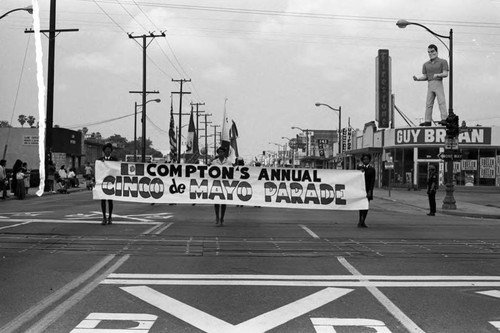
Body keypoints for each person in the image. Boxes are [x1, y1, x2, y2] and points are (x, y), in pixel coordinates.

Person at [413, 44, 449, 127]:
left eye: (432, 51)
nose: (430, 53)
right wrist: (418, 79)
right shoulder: (426, 64)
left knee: (441, 101)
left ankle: (444, 118)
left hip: (438, 83)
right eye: (429, 52)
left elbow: (445, 73)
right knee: (428, 103)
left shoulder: (442, 61)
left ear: (436, 51)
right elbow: (425, 76)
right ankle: (427, 120)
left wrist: (438, 75)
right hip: (430, 84)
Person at [98, 143, 118, 225]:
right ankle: (104, 217)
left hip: (111, 182)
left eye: (109, 150)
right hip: (102, 182)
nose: (108, 151)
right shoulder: (100, 160)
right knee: (103, 200)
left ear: (111, 151)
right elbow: (98, 170)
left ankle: (110, 217)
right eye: (106, 149)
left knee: (110, 200)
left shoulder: (114, 160)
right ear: (104, 151)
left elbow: (117, 170)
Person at [212, 146, 231, 226]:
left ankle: (222, 217)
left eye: (222, 152)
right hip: (216, 183)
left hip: (225, 184)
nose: (221, 153)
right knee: (216, 201)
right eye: (219, 152)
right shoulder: (214, 162)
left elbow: (231, 173)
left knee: (223, 202)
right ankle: (217, 217)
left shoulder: (228, 162)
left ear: (224, 153)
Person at [358, 153, 376, 228]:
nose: (366, 160)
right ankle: (360, 220)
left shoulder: (372, 169)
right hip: (360, 190)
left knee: (366, 206)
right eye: (364, 159)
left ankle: (363, 221)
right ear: (362, 160)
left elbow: (372, 181)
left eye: (367, 159)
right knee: (360, 206)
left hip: (368, 190)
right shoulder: (359, 169)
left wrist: (370, 191)